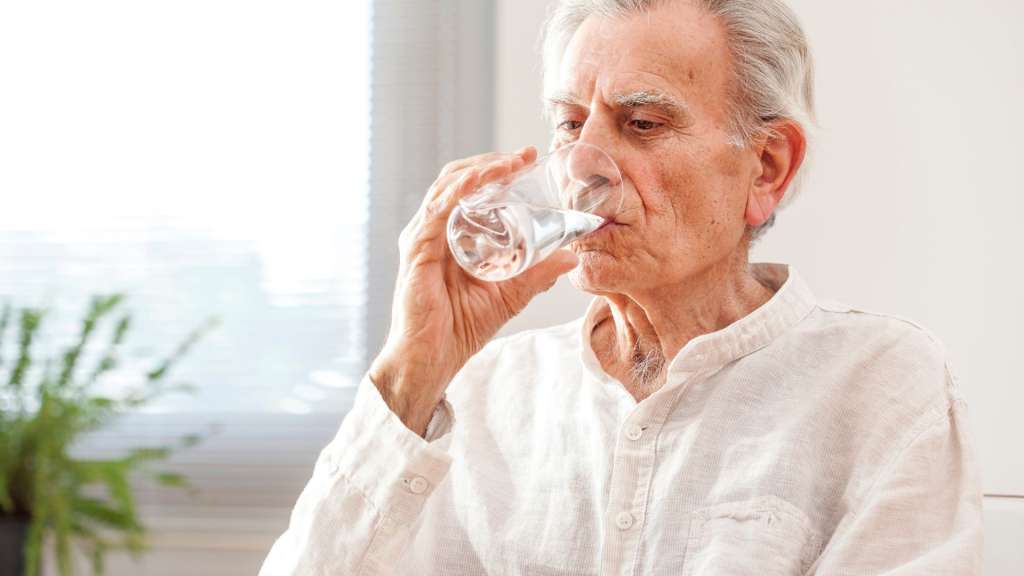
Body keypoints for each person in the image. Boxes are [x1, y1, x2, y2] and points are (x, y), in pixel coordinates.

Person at [260, 0, 984, 573]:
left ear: (766, 168)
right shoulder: (486, 395)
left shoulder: (879, 384)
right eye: (570, 124)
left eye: (641, 124)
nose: (583, 165)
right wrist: (413, 367)